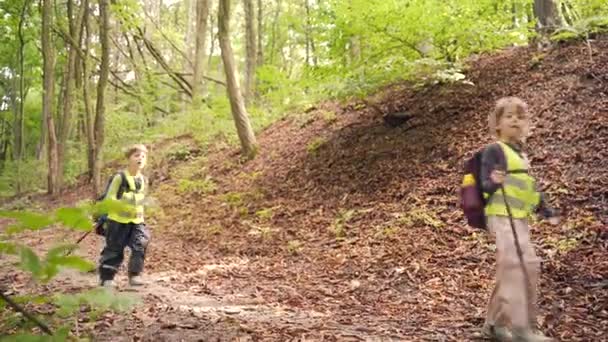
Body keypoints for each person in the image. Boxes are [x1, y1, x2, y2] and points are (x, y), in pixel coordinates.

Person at [480, 97, 559, 342]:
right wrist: (494, 181)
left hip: (519, 218)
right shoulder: (494, 151)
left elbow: (528, 186)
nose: (515, 120)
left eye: (520, 116)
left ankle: (495, 325)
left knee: (521, 266)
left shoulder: (521, 155)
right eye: (509, 116)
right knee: (516, 265)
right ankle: (521, 329)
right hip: (501, 216)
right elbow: (482, 186)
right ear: (497, 124)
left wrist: (545, 209)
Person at [98, 144, 150, 288]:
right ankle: (107, 278)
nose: (141, 159)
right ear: (129, 158)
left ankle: (135, 275)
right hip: (117, 220)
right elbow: (109, 198)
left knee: (141, 245)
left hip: (137, 220)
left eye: (143, 156)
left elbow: (142, 199)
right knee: (114, 249)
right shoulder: (119, 177)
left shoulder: (144, 180)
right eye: (137, 155)